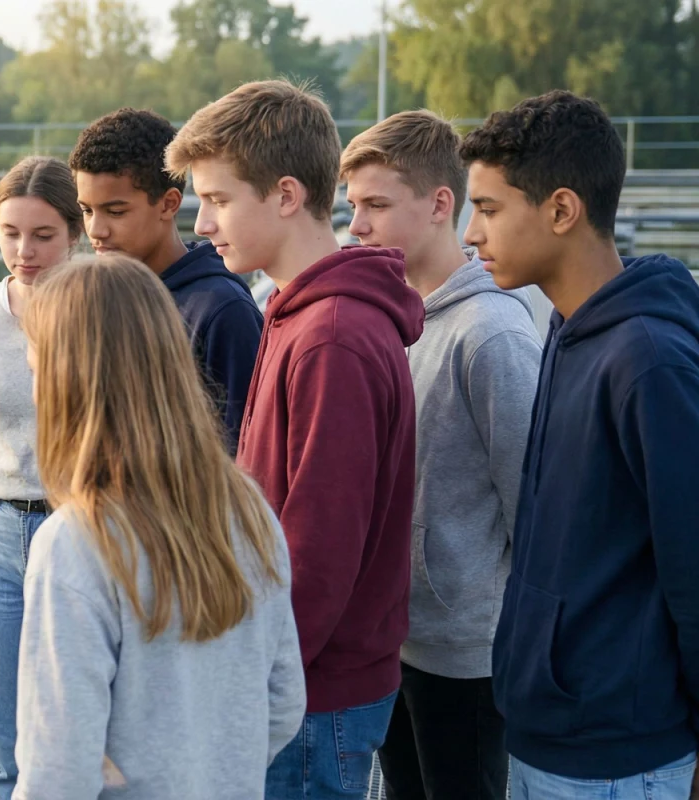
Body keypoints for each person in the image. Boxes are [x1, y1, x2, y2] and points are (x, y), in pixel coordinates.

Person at [166, 79, 424, 800]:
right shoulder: (293, 312)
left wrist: (246, 682)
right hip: (302, 675)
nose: (203, 222)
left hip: (310, 690)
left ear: (285, 195)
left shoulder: (331, 337)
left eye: (217, 199)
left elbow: (319, 549)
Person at [463, 90, 699, 799]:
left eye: (490, 208)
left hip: (622, 756)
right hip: (547, 731)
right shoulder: (568, 328)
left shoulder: (649, 361)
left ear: (561, 210)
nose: (472, 233)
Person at [11, 254, 305, 799]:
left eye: (35, 368)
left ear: (65, 380)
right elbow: (284, 701)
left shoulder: (77, 542)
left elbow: (57, 771)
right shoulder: (247, 508)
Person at [341, 110, 541, 800]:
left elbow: (531, 506)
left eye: (375, 205)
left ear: (439, 205)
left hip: (466, 653)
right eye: (352, 207)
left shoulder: (491, 336)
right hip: (393, 635)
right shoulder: (386, 322)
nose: (356, 226)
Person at [0, 155, 83, 800]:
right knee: (11, 741)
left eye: (42, 235)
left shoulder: (106, 311)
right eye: (10, 233)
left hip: (84, 531)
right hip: (0, 535)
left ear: (75, 233)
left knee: (85, 732)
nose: (23, 251)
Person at [68, 107, 261, 449]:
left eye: (116, 211)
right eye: (86, 210)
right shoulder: (103, 298)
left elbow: (246, 452)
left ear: (169, 204)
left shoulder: (222, 310)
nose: (95, 230)